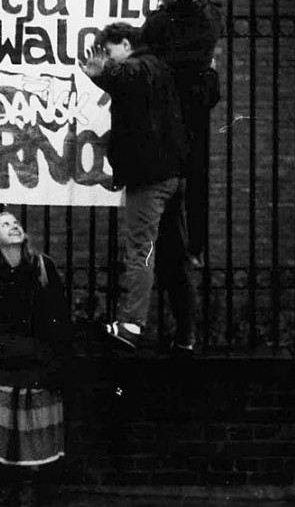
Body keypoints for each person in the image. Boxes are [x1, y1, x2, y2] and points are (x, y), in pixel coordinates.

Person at [80, 22, 197, 355]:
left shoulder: (139, 68)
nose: (107, 58)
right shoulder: (160, 67)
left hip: (149, 177)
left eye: (110, 51)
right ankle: (186, 335)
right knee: (174, 256)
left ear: (126, 45)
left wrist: (104, 74)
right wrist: (106, 76)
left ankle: (131, 325)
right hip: (172, 174)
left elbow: (128, 79)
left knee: (140, 250)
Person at [0, 212, 70, 507]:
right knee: (3, 428)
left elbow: (58, 315)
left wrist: (53, 357)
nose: (14, 226)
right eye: (5, 224)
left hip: (37, 359)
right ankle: (5, 483)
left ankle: (29, 483)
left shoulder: (42, 266)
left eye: (16, 222)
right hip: (2, 360)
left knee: (32, 430)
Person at [141, 0, 224, 269]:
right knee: (196, 180)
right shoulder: (208, 20)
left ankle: (168, 249)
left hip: (166, 111)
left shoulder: (159, 23)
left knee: (166, 179)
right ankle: (195, 248)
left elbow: (143, 49)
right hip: (197, 110)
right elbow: (207, 11)